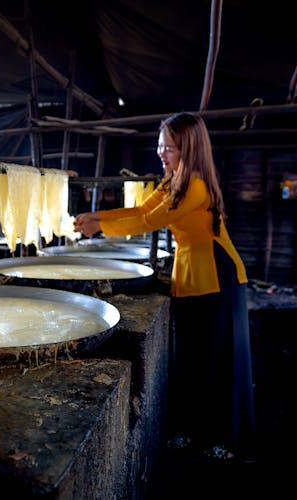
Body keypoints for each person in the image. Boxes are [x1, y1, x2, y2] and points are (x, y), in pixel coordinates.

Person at [73, 112, 255, 462]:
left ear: (188, 149)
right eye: (160, 145)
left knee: (217, 358)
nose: (161, 153)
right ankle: (190, 431)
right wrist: (96, 217)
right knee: (190, 357)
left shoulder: (196, 186)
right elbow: (142, 208)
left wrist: (100, 227)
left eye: (168, 147)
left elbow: (149, 221)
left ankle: (224, 439)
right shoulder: (172, 181)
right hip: (189, 274)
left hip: (217, 275)